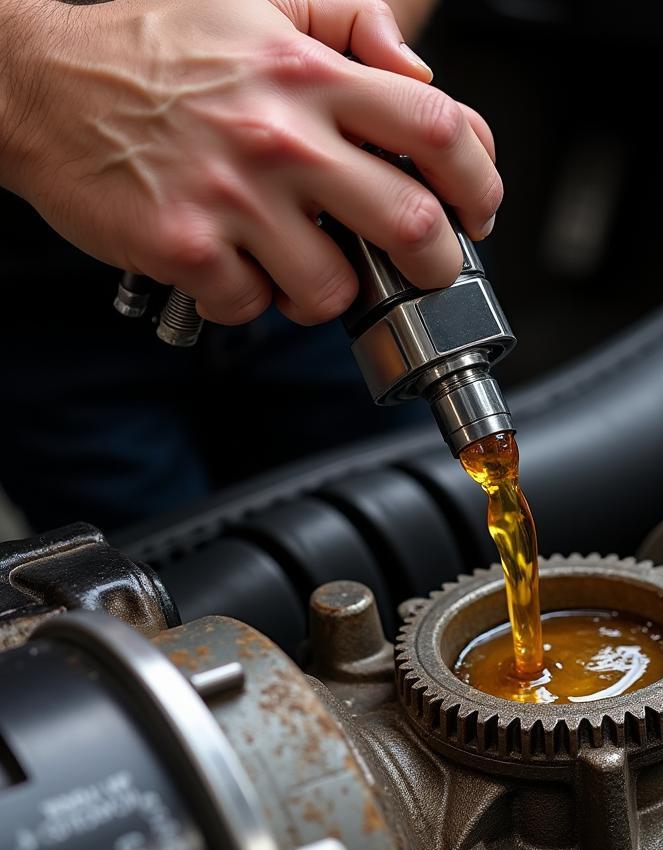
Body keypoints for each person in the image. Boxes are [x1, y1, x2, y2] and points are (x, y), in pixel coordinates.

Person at [0, 0, 502, 530]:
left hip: (354, 215)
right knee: (151, 595)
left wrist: (306, 32)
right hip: (43, 309)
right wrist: (22, 72)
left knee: (414, 545)